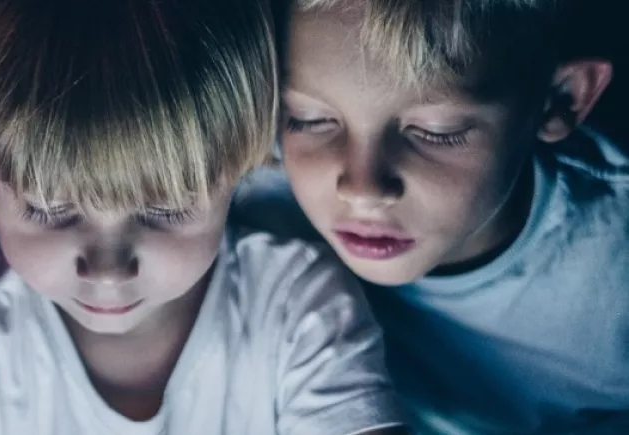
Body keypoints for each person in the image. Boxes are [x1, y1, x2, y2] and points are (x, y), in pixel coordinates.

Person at [0, 0, 406, 433]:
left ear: (242, 166)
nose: (107, 271)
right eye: (50, 209)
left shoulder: (298, 313)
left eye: (164, 210)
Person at [234, 0, 627, 433]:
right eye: (309, 120)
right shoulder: (249, 181)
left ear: (559, 100)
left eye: (436, 132)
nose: (363, 191)